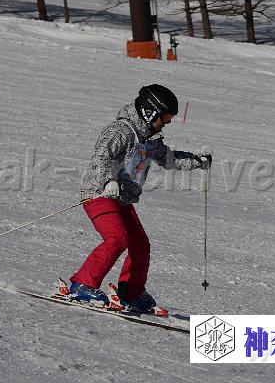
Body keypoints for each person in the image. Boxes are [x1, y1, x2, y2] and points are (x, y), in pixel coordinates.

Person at [68, 84, 212, 313]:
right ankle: (82, 285)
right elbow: (101, 157)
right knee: (117, 239)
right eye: (165, 117)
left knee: (141, 245)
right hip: (100, 193)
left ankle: (131, 292)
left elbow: (168, 158)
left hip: (122, 200)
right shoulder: (120, 131)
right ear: (149, 112)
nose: (167, 122)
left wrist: (196, 161)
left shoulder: (150, 139)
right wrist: (108, 180)